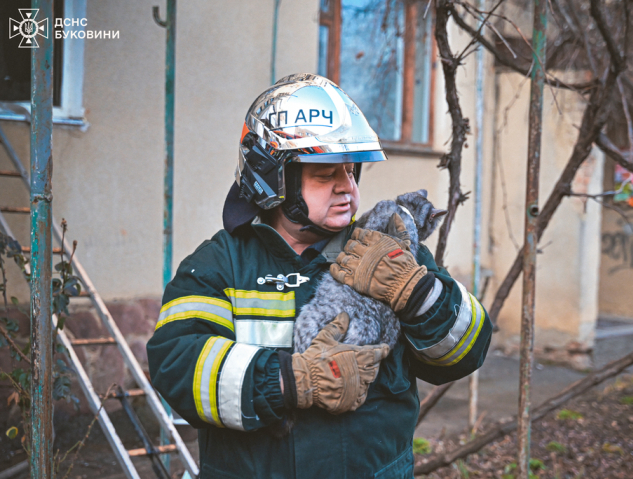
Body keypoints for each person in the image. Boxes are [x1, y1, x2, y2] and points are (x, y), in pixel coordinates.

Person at [146, 73, 493, 479]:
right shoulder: (220, 266)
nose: (348, 189)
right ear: (274, 178)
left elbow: (466, 349)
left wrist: (416, 294)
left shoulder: (387, 253)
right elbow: (177, 365)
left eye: (350, 171)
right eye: (326, 175)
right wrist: (289, 381)